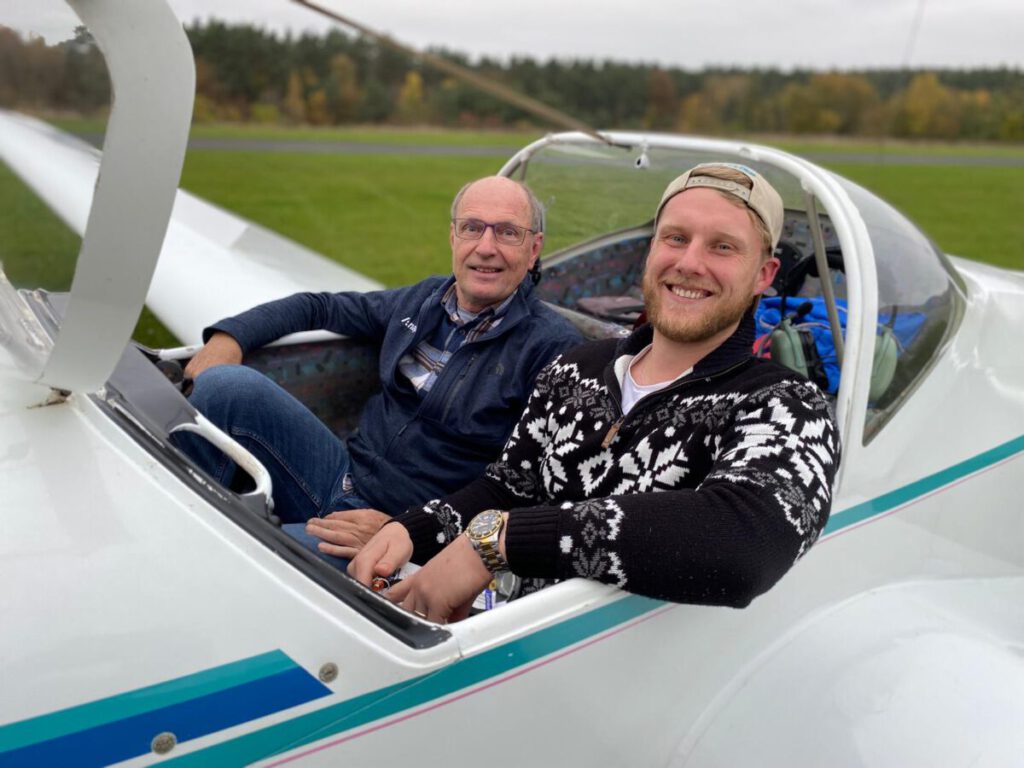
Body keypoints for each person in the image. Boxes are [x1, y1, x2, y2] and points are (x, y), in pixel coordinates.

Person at [349, 162, 841, 622]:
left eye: (722, 247)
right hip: (494, 630)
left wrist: (498, 541)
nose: (690, 263)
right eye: (676, 238)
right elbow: (508, 486)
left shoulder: (788, 407)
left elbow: (746, 546)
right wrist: (412, 530)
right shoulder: (576, 368)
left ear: (764, 275)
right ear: (652, 252)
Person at [176, 176, 582, 561]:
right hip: (340, 473)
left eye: (508, 232)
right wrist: (231, 337)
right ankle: (177, 514)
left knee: (250, 552)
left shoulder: (553, 349)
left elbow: (528, 491)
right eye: (472, 228)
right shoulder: (425, 300)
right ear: (453, 237)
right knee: (223, 384)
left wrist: (407, 531)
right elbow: (320, 306)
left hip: (406, 536)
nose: (486, 247)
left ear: (534, 250)